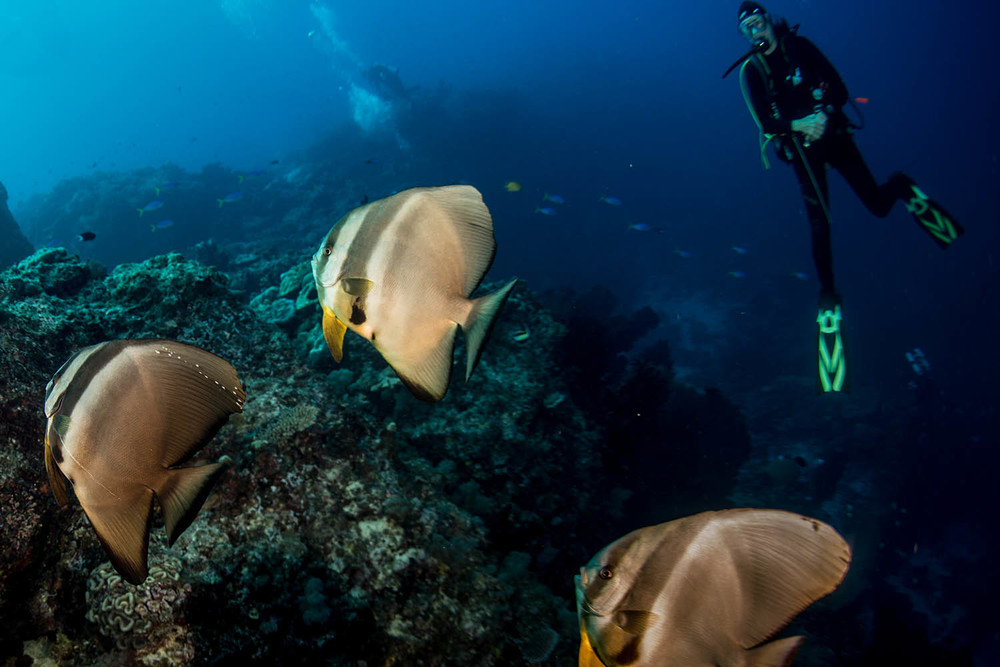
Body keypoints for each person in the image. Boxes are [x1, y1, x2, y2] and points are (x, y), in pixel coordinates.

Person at [730, 1, 963, 392]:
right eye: (746, 27)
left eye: (758, 21)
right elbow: (765, 121)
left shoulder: (799, 46)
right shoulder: (751, 72)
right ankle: (828, 300)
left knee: (876, 205)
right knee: (820, 224)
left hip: (835, 137)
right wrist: (800, 124)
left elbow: (839, 86)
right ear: (743, 34)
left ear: (768, 21)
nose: (754, 30)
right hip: (803, 151)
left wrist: (821, 114)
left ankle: (902, 186)